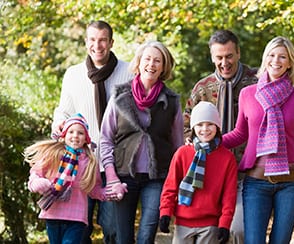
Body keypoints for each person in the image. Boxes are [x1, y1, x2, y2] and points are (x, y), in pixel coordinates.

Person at [221, 36, 294, 243]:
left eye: (282, 56)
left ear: (289, 62)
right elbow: (240, 134)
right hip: (256, 182)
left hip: (291, 183)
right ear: (265, 59)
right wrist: (212, 142)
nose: (276, 60)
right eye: (272, 55)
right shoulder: (248, 94)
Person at [51, 20, 134, 244]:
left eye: (103, 40)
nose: (97, 45)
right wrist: (59, 123)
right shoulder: (73, 74)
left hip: (113, 164)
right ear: (86, 42)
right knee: (80, 227)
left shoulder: (128, 72)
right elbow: (64, 110)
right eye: (92, 40)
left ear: (111, 42)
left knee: (112, 228)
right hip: (81, 165)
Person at [99, 40, 184, 244]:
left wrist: (176, 183)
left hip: (157, 178)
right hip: (123, 176)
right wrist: (111, 177)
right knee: (123, 237)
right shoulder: (119, 95)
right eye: (147, 59)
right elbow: (105, 138)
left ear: (164, 67)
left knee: (147, 235)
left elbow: (178, 146)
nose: (151, 64)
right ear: (138, 62)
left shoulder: (171, 100)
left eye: (157, 61)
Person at [183, 30, 258, 244]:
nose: (224, 62)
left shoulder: (255, 84)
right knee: (211, 234)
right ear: (212, 57)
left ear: (238, 53)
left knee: (238, 232)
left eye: (229, 56)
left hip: (246, 173)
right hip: (210, 174)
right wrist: (191, 140)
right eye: (219, 57)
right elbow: (186, 123)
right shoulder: (203, 88)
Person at [25, 113, 127, 244]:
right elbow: (35, 173)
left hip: (77, 217)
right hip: (53, 214)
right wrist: (38, 183)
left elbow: (94, 188)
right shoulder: (54, 154)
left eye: (80, 133)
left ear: (86, 139)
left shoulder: (90, 162)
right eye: (71, 132)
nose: (75, 136)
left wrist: (111, 192)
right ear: (64, 135)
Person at [159, 101, 238, 244]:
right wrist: (165, 212)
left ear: (217, 126)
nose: (205, 129)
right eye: (200, 125)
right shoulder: (182, 153)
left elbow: (229, 195)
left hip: (210, 224)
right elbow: (170, 186)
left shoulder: (227, 158)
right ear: (193, 127)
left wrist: (225, 222)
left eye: (210, 124)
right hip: (183, 222)